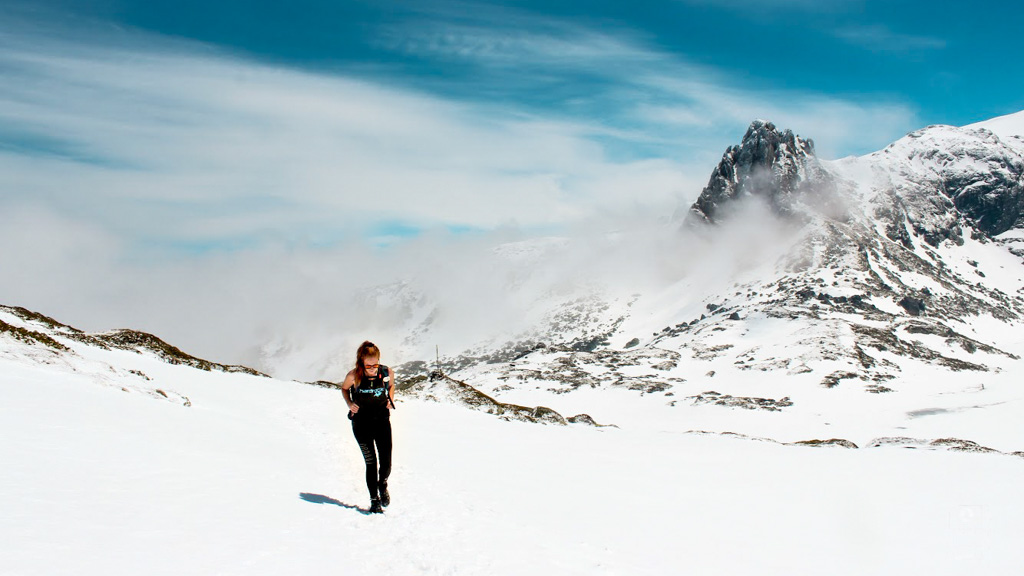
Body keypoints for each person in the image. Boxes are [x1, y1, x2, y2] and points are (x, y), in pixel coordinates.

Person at [341, 341, 396, 514]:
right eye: (368, 365)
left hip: (382, 421)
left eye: (375, 364)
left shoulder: (386, 372)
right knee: (371, 462)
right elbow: (344, 389)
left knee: (386, 463)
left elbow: (392, 385)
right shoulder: (354, 376)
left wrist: (390, 399)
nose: (372, 368)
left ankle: (383, 484)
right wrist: (350, 404)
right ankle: (374, 500)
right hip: (361, 424)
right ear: (361, 362)